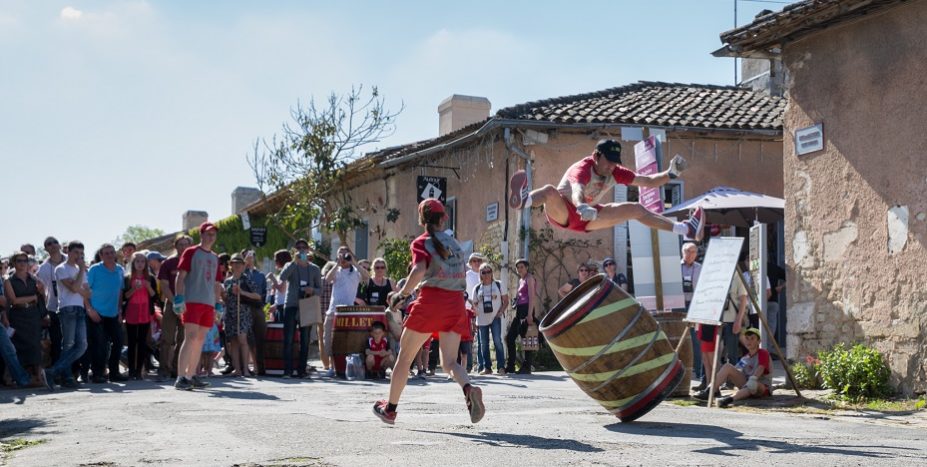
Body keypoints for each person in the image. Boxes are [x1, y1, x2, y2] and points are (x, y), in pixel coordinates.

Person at [373, 198, 485, 425]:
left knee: (404, 358)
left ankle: (390, 410)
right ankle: (468, 388)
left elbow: (419, 270)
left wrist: (401, 295)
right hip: (455, 304)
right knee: (450, 363)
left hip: (432, 302)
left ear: (421, 219)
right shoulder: (454, 244)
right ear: (444, 217)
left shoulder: (422, 242)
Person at [508, 139, 704, 240]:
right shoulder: (582, 168)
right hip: (565, 211)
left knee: (636, 209)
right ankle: (525, 201)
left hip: (589, 218)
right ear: (596, 156)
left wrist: (670, 173)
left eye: (614, 163)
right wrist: (582, 206)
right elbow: (577, 190)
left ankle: (686, 229)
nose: (611, 167)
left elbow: (649, 181)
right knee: (550, 191)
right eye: (608, 162)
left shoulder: (616, 172)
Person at [172, 223, 223, 390]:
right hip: (192, 300)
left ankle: (191, 374)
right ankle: (180, 377)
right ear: (201, 235)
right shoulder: (191, 252)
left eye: (213, 234)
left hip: (208, 303)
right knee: (191, 337)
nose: (211, 237)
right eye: (208, 234)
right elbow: (180, 275)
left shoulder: (215, 257)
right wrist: (179, 297)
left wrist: (217, 303)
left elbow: (216, 283)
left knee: (200, 340)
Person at [695, 328, 772, 408]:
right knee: (727, 366)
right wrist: (724, 375)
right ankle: (709, 391)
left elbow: (761, 367)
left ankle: (728, 400)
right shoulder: (745, 358)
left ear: (759, 342)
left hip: (761, 386)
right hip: (746, 383)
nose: (749, 341)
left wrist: (753, 378)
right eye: (747, 338)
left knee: (753, 384)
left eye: (752, 338)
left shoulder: (763, 353)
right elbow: (737, 370)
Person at [278, 239, 321, 378]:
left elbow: (320, 290)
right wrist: (294, 262)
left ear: (308, 249)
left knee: (305, 339)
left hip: (307, 305)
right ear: (295, 250)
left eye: (304, 247)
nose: (301, 249)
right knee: (289, 339)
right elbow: (282, 277)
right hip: (291, 305)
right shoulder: (290, 265)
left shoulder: (314, 268)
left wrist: (312, 290)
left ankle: (301, 370)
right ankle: (288, 371)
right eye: (298, 247)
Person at [323, 246, 368, 377]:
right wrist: (337, 263)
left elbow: (366, 277)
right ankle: (332, 366)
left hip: (348, 311)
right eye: (340, 255)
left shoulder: (355, 272)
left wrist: (353, 262)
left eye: (345, 255)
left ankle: (346, 367)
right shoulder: (336, 270)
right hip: (333, 310)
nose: (343, 258)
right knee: (329, 340)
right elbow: (327, 279)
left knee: (346, 340)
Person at [3, 251, 47, 385]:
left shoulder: (35, 279)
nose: (22, 263)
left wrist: (41, 292)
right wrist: (33, 297)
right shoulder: (8, 280)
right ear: (14, 263)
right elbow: (14, 300)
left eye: (25, 260)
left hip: (33, 315)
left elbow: (42, 298)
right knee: (18, 347)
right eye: (19, 261)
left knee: (35, 346)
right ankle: (12, 377)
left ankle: (38, 377)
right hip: (18, 316)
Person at [86, 244, 128, 383]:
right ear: (101, 255)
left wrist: (120, 311)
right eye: (106, 253)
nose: (110, 255)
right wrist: (90, 309)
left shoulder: (120, 270)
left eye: (112, 252)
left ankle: (114, 373)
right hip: (97, 313)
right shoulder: (94, 269)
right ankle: (98, 373)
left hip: (114, 313)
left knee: (118, 341)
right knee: (100, 345)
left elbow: (120, 292)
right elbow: (85, 290)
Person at [157, 235, 193, 380]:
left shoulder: (194, 263)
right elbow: (164, 286)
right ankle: (164, 369)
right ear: (175, 246)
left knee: (183, 338)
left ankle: (177, 368)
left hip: (190, 305)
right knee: (167, 338)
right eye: (180, 244)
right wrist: (176, 303)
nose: (183, 247)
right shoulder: (168, 263)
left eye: (186, 244)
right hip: (172, 303)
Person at [122, 252, 157, 380]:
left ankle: (139, 371)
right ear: (133, 263)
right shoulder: (127, 278)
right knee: (132, 343)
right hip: (132, 312)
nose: (140, 264)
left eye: (143, 261)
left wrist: (148, 287)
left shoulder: (150, 278)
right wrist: (134, 289)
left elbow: (155, 297)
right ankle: (131, 370)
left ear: (146, 263)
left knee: (142, 343)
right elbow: (125, 296)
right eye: (137, 261)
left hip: (145, 312)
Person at [224, 253, 258, 377]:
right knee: (233, 341)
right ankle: (237, 369)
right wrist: (226, 294)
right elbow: (225, 298)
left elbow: (257, 295)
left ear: (243, 266)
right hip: (231, 313)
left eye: (239, 263)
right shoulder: (228, 281)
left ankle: (245, 369)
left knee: (243, 339)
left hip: (243, 313)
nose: (237, 266)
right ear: (231, 265)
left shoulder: (246, 279)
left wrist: (242, 292)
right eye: (234, 263)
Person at [471, 263, 508, 375]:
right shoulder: (477, 288)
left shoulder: (498, 284)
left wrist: (500, 312)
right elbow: (474, 305)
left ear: (492, 273)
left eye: (488, 271)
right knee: (483, 343)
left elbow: (506, 300)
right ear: (480, 274)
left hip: (495, 317)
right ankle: (487, 367)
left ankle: (501, 366)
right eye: (484, 272)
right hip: (481, 319)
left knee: (497, 340)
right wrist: (473, 320)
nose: (486, 274)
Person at [36, 236, 66, 369]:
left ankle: (75, 372)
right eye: (49, 243)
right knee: (57, 342)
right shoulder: (42, 269)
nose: (53, 245)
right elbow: (41, 294)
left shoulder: (71, 260)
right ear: (45, 249)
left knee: (75, 342)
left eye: (55, 242)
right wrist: (44, 313)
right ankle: (57, 372)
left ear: (59, 245)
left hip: (74, 307)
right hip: (53, 309)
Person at [506, 258, 539, 375]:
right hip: (519, 310)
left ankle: (527, 366)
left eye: (522, 267)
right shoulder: (521, 280)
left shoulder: (530, 278)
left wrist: (530, 314)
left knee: (527, 337)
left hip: (527, 310)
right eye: (518, 267)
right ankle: (510, 366)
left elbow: (532, 297)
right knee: (510, 337)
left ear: (527, 267)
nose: (519, 269)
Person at [680, 242, 705, 389]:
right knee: (681, 338)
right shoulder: (676, 266)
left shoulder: (700, 268)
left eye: (693, 252)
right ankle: (682, 368)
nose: (690, 254)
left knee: (696, 339)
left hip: (695, 305)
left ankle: (697, 369)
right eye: (688, 251)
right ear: (683, 252)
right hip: (680, 304)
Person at [241, 250, 267, 375]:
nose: (250, 258)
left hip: (258, 308)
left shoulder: (260, 275)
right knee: (248, 338)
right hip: (245, 308)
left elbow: (264, 293)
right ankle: (250, 366)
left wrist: (261, 304)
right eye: (247, 256)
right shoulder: (241, 274)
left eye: (252, 256)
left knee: (260, 337)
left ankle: (261, 367)